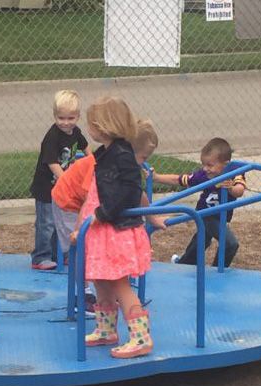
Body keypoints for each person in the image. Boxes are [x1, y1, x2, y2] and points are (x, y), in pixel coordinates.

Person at [72, 96, 153, 359]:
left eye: (91, 123)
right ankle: (106, 330)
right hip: (99, 230)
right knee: (101, 282)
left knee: (120, 284)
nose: (89, 129)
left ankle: (141, 338)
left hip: (114, 229)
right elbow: (94, 193)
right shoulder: (105, 154)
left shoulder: (122, 155)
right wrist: (83, 224)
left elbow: (131, 189)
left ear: (103, 126)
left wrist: (103, 213)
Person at [155, 137, 246, 267]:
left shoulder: (234, 171)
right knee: (230, 244)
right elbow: (179, 180)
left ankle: (183, 263)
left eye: (210, 165)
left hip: (220, 215)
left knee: (202, 240)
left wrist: (231, 188)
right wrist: (157, 177)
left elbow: (240, 190)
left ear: (226, 164)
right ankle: (218, 270)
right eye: (203, 164)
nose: (205, 169)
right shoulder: (203, 176)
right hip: (207, 214)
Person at [29, 89, 89, 270]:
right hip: (46, 188)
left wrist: (94, 164)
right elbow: (52, 163)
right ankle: (40, 257)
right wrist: (67, 180)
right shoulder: (52, 137)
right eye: (61, 118)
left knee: (60, 223)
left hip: (61, 189)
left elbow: (86, 149)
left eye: (70, 118)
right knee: (46, 223)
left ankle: (58, 255)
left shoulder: (75, 132)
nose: (65, 123)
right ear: (55, 115)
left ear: (78, 116)